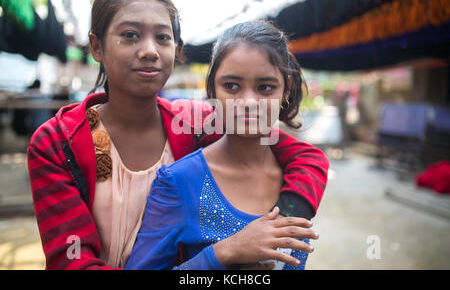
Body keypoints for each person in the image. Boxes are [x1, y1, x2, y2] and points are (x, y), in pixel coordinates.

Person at [27, 0, 329, 270]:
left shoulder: (196, 122)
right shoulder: (57, 143)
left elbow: (302, 154)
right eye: (130, 35)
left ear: (177, 48)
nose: (149, 50)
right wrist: (224, 253)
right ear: (96, 47)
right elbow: (71, 261)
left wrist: (289, 215)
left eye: (162, 37)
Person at [125, 20, 324, 270]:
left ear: (286, 91)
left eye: (265, 87)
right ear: (212, 91)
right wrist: (224, 253)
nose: (249, 102)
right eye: (231, 86)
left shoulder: (298, 179)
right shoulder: (180, 181)